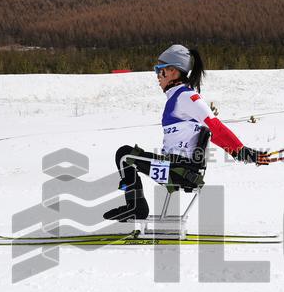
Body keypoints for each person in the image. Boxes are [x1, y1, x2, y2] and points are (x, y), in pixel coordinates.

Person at [103, 44, 265, 222]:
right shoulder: (178, 96)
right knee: (127, 156)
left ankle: (136, 208)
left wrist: (240, 150)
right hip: (175, 168)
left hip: (178, 171)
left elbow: (215, 127)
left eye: (159, 69)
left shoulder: (186, 97)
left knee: (124, 156)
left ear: (173, 71)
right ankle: (136, 208)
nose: (157, 75)